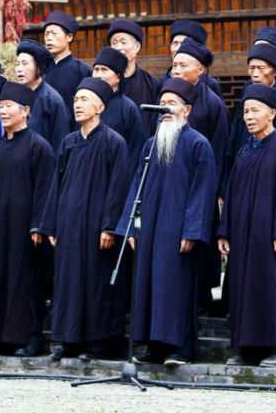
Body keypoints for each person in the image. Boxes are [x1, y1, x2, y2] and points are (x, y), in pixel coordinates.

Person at [117, 78, 217, 366]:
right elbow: (136, 186)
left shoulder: (199, 145)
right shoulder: (151, 145)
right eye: (163, 103)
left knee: (176, 287)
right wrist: (130, 226)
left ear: (186, 109)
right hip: (149, 229)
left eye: (171, 104)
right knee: (149, 286)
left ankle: (180, 349)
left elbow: (203, 193)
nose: (165, 109)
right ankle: (155, 346)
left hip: (178, 232)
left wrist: (192, 231)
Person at [39, 77, 130, 361]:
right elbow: (57, 184)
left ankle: (97, 343)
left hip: (96, 226)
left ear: (100, 107)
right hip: (68, 224)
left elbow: (119, 187)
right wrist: (51, 223)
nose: (77, 105)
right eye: (76, 100)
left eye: (84, 100)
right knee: (68, 281)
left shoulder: (114, 142)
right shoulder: (68, 142)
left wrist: (109, 225)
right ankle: (69, 340)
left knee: (95, 282)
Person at [217, 84, 276, 367]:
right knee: (244, 289)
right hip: (243, 237)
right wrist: (225, 231)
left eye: (255, 110)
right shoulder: (243, 153)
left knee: (274, 287)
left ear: (272, 113)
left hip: (271, 238)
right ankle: (249, 348)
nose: (249, 117)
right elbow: (230, 196)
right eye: (245, 112)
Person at [0, 82, 55, 357]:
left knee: (24, 282)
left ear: (26, 111)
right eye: (1, 107)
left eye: (9, 107)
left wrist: (38, 225)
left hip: (24, 227)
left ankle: (29, 338)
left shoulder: (38, 147)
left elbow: (46, 190)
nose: (3, 112)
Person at [171, 37, 229, 311]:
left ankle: (202, 294)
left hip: (202, 184)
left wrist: (213, 188)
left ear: (201, 70)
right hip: (172, 185)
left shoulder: (213, 104)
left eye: (184, 65)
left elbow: (219, 149)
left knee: (199, 237)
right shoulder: (168, 97)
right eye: (175, 65)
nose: (177, 70)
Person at [221, 44, 276, 198]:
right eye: (252, 69)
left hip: (272, 175)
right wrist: (225, 185)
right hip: (244, 169)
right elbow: (234, 140)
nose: (255, 74)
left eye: (261, 68)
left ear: (275, 71)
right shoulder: (246, 99)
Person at [91, 46, 146, 174]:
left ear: (118, 77)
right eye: (96, 70)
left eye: (104, 70)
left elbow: (135, 151)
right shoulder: (87, 104)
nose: (98, 75)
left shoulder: (127, 108)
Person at [15, 38, 70, 152]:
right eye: (17, 64)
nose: (19, 69)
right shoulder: (16, 97)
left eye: (25, 64)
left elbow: (60, 142)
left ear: (39, 67)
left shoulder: (53, 100)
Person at [107, 18, 158, 138]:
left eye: (123, 42)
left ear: (137, 46)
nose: (119, 47)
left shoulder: (151, 83)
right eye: (114, 43)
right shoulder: (104, 82)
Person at [43, 11, 92, 129]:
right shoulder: (41, 70)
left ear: (69, 37)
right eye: (46, 34)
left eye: (54, 33)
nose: (49, 38)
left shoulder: (82, 70)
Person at [159, 20, 223, 99]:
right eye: (175, 43)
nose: (178, 48)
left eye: (184, 43)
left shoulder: (210, 84)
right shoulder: (161, 83)